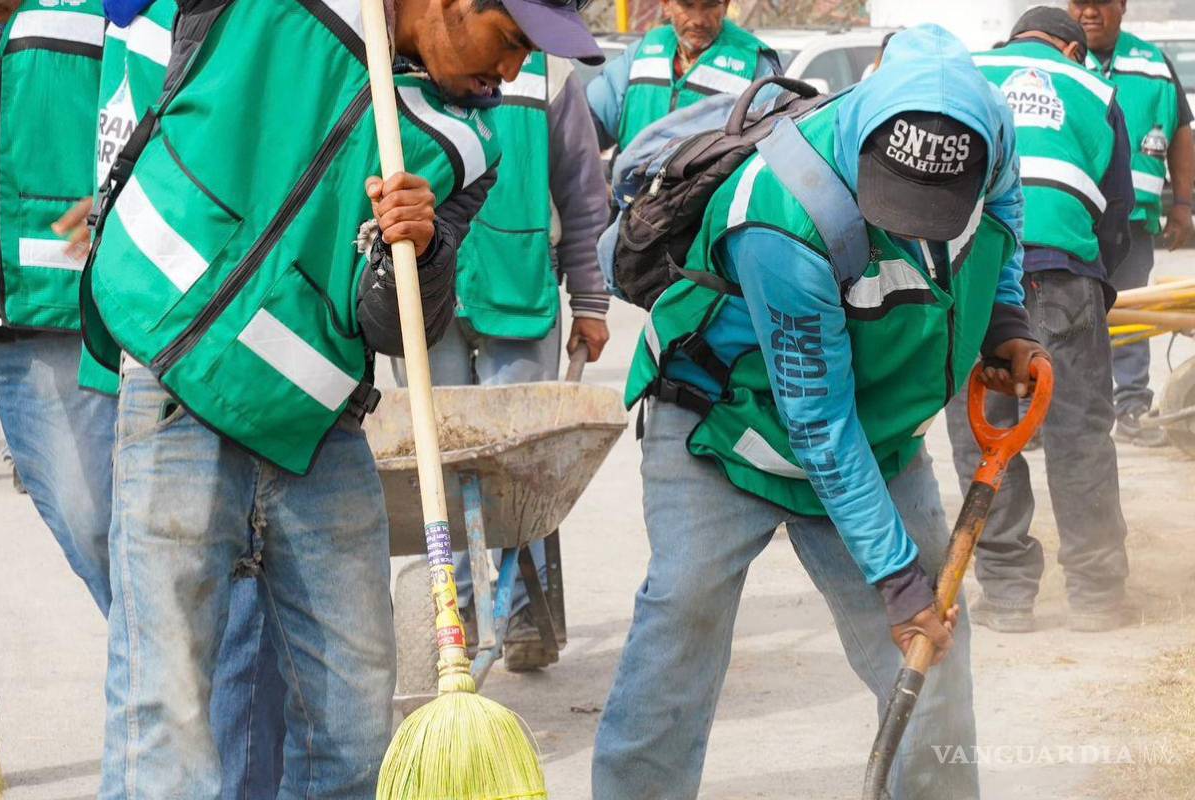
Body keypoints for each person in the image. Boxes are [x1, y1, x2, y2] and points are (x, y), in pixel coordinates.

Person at [80, 0, 602, 797]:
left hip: (315, 432)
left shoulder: (464, 144)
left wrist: (419, 255)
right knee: (167, 711)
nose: (512, 72)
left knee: (355, 723)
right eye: (511, 42)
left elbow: (397, 331)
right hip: (177, 391)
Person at [592, 25, 1050, 800]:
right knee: (682, 623)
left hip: (875, 438)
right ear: (865, 134)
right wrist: (897, 580)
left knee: (937, 648)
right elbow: (817, 424)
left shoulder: (995, 148)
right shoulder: (785, 214)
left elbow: (1003, 234)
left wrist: (1005, 323)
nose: (910, 225)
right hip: (730, 429)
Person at [44, 0, 291, 792]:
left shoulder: (236, 21)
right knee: (159, 636)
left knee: (232, 613)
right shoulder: (126, 21)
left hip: (209, 356)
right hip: (135, 334)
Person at [406, 50, 611, 672]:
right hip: (428, 293)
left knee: (521, 468)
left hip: (519, 290)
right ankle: (457, 614)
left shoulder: (546, 72)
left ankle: (526, 613)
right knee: (441, 462)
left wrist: (591, 299)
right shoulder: (413, 50)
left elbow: (581, 193)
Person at [950, 7, 1135, 634]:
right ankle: (1098, 595)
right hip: (1062, 273)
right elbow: (1117, 215)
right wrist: (1091, 287)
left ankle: (1006, 594)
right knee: (1080, 433)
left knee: (985, 435)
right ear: (1073, 52)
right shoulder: (1096, 89)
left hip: (976, 271)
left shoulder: (967, 74)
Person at [0, 0, 116, 616]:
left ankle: (180, 697)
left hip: (49, 319)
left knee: (100, 529)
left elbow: (158, 100)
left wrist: (120, 202)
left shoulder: (104, 13)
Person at [1069, 0, 1194, 445]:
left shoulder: (1153, 64)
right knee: (1059, 313)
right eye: (1078, 4)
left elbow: (1182, 129)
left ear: (1121, 7)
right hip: (1068, 219)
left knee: (1131, 309)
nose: (1088, 14)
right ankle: (1054, 411)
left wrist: (1181, 205)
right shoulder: (1055, 59)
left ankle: (1132, 407)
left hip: (1132, 221)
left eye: (1099, 4)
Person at [586, 0, 780, 152]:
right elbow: (585, 128)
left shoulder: (753, 62)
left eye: (710, 5)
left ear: (726, 5)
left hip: (709, 200)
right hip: (631, 196)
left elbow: (775, 141)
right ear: (666, 5)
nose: (698, 20)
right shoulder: (640, 53)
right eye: (687, 5)